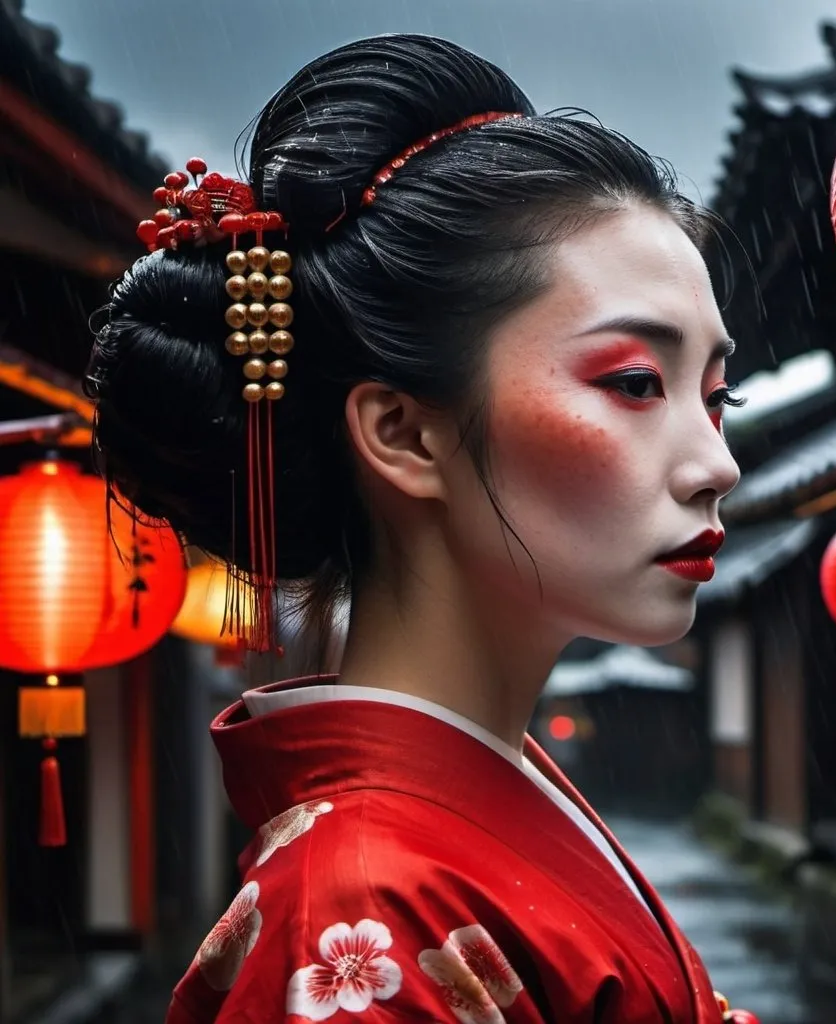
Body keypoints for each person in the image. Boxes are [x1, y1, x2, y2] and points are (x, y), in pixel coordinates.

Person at [86, 33, 758, 1024]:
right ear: (402, 433)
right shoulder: (357, 910)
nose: (717, 465)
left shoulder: (469, 814)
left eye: (715, 396)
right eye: (632, 384)